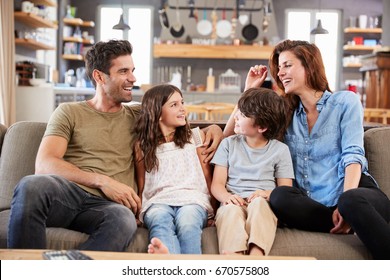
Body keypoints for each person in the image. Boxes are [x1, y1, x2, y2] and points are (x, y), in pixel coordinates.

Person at [7, 40, 223, 251]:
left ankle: (73, 270)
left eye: (132, 70)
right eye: (123, 72)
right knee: (31, 186)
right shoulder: (69, 112)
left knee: (124, 220)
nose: (133, 78)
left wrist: (215, 128)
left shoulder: (139, 114)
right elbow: (44, 164)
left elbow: (182, 128)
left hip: (108, 208)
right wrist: (103, 181)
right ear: (99, 76)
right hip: (68, 195)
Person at [225, 39, 390, 259]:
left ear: (309, 66)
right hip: (315, 209)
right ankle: (344, 224)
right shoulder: (285, 112)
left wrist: (344, 202)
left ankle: (351, 217)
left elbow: (353, 156)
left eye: (287, 65)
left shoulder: (344, 102)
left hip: (357, 197)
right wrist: (248, 91)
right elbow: (232, 136)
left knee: (350, 201)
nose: (280, 73)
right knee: (280, 196)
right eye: (279, 67)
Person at [134, 84, 216, 254]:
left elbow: (207, 178)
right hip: (157, 202)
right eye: (174, 105)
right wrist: (137, 212)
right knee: (159, 220)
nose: (183, 109)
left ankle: (173, 262)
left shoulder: (195, 137)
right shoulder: (142, 146)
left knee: (188, 223)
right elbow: (142, 185)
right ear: (157, 112)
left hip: (193, 200)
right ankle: (168, 256)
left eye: (182, 103)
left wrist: (214, 210)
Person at [211, 88, 294, 256]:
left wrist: (265, 194)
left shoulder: (280, 150)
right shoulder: (228, 144)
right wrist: (227, 197)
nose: (236, 116)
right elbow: (217, 185)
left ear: (262, 126)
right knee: (230, 211)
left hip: (264, 203)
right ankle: (234, 256)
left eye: (242, 115)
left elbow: (285, 191)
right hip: (233, 201)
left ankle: (256, 255)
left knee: (259, 205)